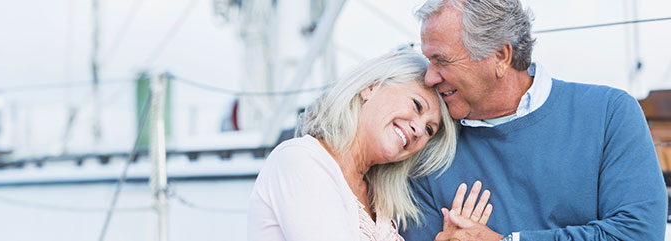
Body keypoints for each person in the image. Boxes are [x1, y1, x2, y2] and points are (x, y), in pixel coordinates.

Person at [400, 0, 668, 240]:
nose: (430, 78)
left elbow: (637, 234)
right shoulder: (425, 144)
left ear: (501, 57)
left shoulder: (609, 113)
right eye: (428, 61)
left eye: (441, 60)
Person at [248, 49, 493, 241]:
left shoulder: (382, 204)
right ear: (371, 87)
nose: (419, 129)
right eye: (417, 106)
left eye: (430, 130)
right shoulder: (300, 161)